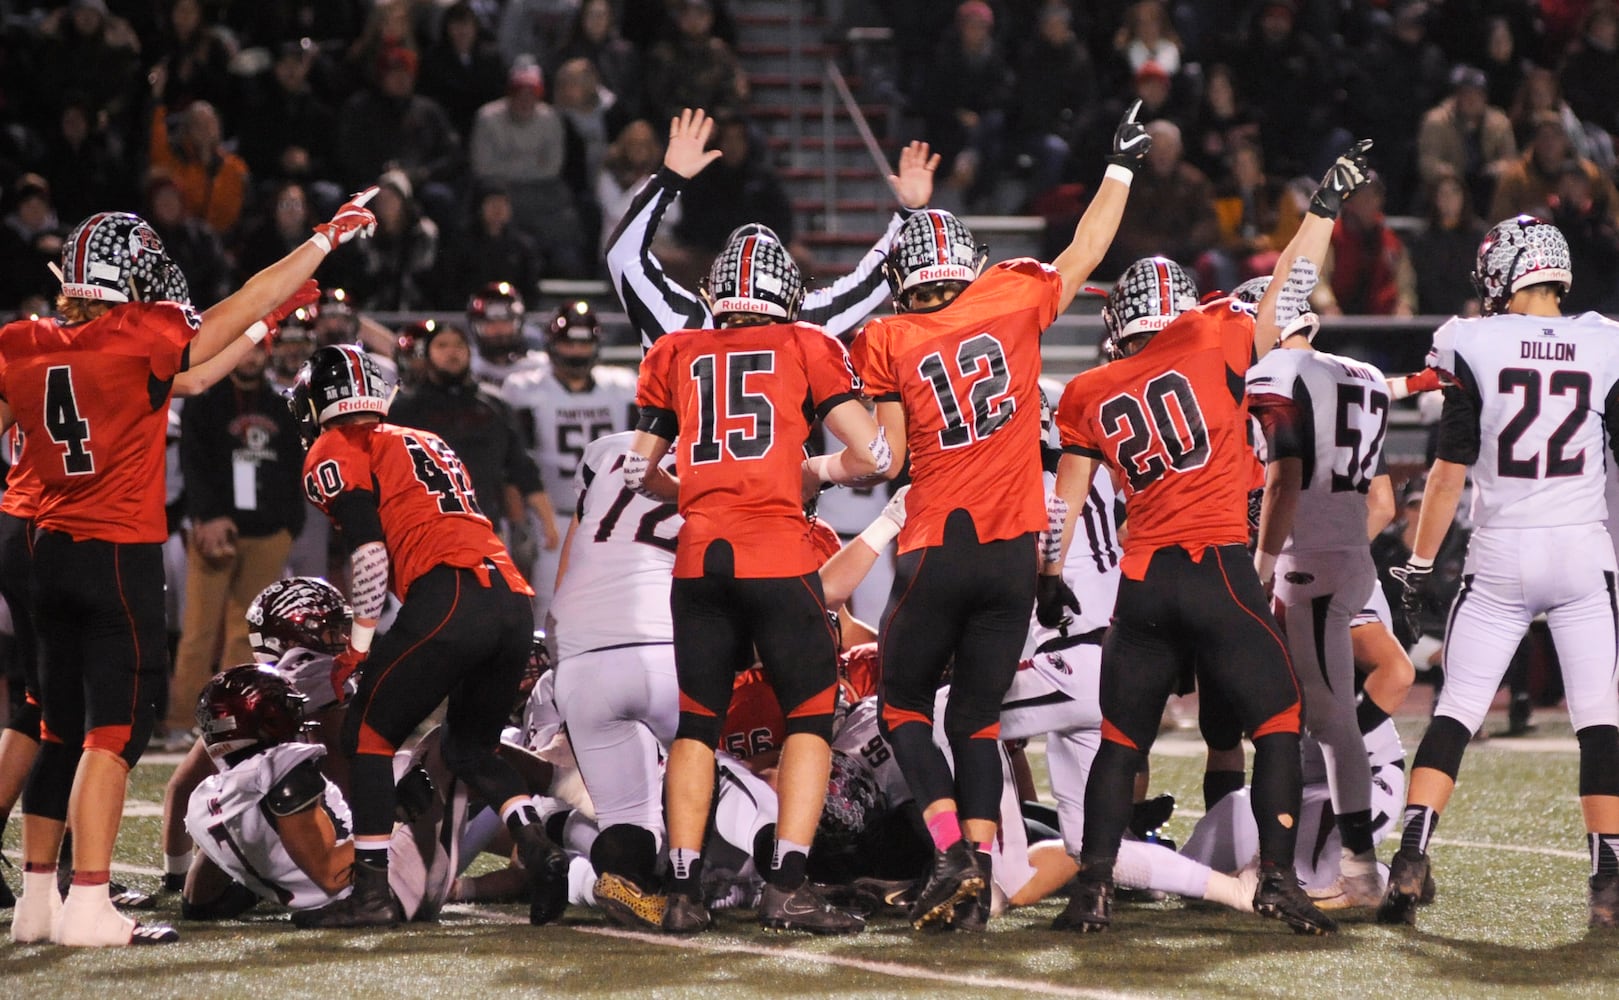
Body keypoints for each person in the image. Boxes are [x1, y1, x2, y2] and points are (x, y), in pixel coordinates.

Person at [3, 189, 379, 948]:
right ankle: (89, 904)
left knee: (55, 726)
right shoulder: (144, 334)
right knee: (112, 734)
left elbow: (196, 376)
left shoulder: (19, 343)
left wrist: (267, 321)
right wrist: (321, 241)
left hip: (41, 547)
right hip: (114, 551)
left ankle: (38, 903)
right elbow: (239, 302)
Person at [1043, 140, 1376, 937]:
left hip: (1143, 582)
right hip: (1219, 568)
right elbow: (1290, 284)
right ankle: (1279, 883)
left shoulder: (1089, 390)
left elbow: (1067, 500)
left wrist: (1050, 571)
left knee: (1119, 742)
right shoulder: (1219, 333)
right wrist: (1321, 209)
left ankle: (1091, 888)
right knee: (1277, 723)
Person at [846, 103, 1147, 931]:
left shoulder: (889, 335)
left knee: (903, 703)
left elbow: (893, 455)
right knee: (976, 717)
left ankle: (948, 851)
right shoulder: (1012, 296)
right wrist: (1118, 165)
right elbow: (1087, 249)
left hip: (940, 539)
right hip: (1016, 549)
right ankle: (977, 873)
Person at [628, 225, 888, 935]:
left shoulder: (674, 350)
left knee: (696, 724)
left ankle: (681, 892)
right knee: (809, 717)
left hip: (698, 559)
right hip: (776, 552)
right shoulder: (805, 345)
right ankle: (786, 888)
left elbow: (637, 470)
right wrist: (811, 471)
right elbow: (873, 455)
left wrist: (703, 493)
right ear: (785, 295)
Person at [1381, 216, 1619, 929]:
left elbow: (1447, 472)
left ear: (1504, 269)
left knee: (1453, 709)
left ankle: (1411, 855)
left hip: (1500, 552)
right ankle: (1608, 877)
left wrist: (1418, 564)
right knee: (1599, 720)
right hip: (1581, 551)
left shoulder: (1470, 341)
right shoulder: (1604, 340)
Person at [289, 343, 566, 928]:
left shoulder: (338, 444)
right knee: (470, 747)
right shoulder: (425, 439)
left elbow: (367, 553)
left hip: (451, 593)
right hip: (512, 598)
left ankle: (369, 895)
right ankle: (535, 845)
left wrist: (358, 646)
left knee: (367, 731)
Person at [1246, 272, 1391, 909]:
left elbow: (1284, 480)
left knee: (1330, 723)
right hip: (1351, 550)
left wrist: (1261, 563)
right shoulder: (1361, 371)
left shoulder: (1280, 373)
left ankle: (1359, 868)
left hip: (1310, 558)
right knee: (1324, 719)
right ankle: (1342, 859)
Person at [605, 108, 937, 351]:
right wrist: (908, 214)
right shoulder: (802, 325)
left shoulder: (683, 322)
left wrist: (668, 180)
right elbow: (871, 280)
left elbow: (622, 255)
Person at [549, 429, 681, 928]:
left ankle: (620, 876)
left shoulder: (606, 449)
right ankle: (770, 879)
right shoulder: (730, 445)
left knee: (631, 820)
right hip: (661, 639)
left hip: (578, 645)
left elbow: (577, 544)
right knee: (719, 772)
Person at [162, 329, 313, 749]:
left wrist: (289, 524)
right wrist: (207, 517)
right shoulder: (204, 401)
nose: (249, 359)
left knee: (246, 633)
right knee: (198, 629)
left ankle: (230, 716)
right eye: (241, 350)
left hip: (268, 530)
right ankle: (178, 721)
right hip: (216, 530)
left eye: (256, 351)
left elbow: (293, 467)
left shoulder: (282, 406)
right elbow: (194, 464)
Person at [385, 320, 561, 597]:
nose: (451, 353)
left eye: (458, 345)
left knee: (489, 610)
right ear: (426, 353)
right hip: (423, 532)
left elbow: (521, 468)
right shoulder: (404, 410)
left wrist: (547, 521)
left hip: (487, 527)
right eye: (442, 346)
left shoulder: (494, 405)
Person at [501, 302, 637, 619]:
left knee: (613, 602)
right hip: (553, 516)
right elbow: (515, 460)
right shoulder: (527, 387)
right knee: (550, 604)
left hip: (610, 513)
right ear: (551, 345)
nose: (576, 351)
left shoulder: (621, 386)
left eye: (583, 343)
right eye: (568, 343)